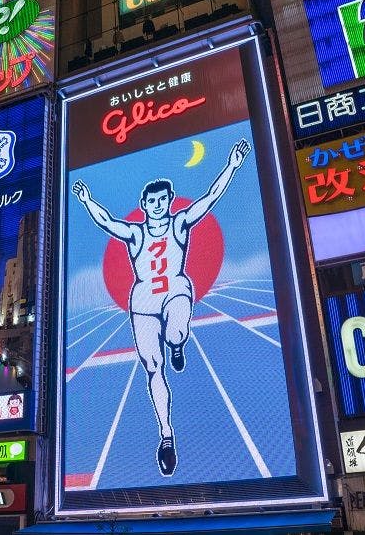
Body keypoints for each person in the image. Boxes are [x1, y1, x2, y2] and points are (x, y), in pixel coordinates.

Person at [71, 138, 251, 476]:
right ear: (144, 204)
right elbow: (107, 222)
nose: (157, 205)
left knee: (177, 330)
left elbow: (210, 198)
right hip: (143, 302)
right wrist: (86, 200)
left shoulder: (180, 223)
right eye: (151, 200)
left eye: (162, 199)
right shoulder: (136, 234)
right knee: (153, 367)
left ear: (169, 201)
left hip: (176, 291)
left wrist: (232, 164)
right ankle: (166, 435)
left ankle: (178, 343)